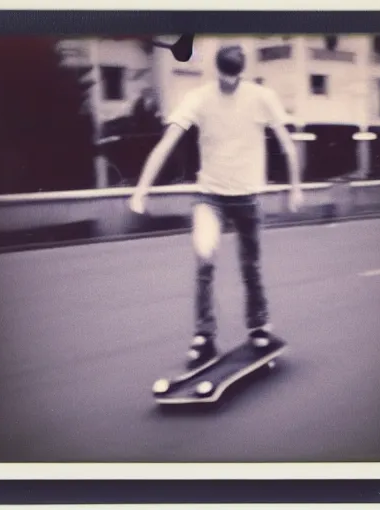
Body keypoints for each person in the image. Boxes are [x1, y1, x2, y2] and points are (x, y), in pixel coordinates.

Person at [129, 43, 303, 370]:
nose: (228, 84)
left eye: (234, 78)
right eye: (224, 77)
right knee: (205, 262)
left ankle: (259, 326)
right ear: (216, 71)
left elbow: (287, 145)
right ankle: (204, 337)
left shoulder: (260, 97)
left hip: (248, 196)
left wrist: (295, 187)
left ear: (242, 73)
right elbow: (166, 143)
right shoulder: (198, 98)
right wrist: (141, 189)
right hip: (210, 195)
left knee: (250, 266)